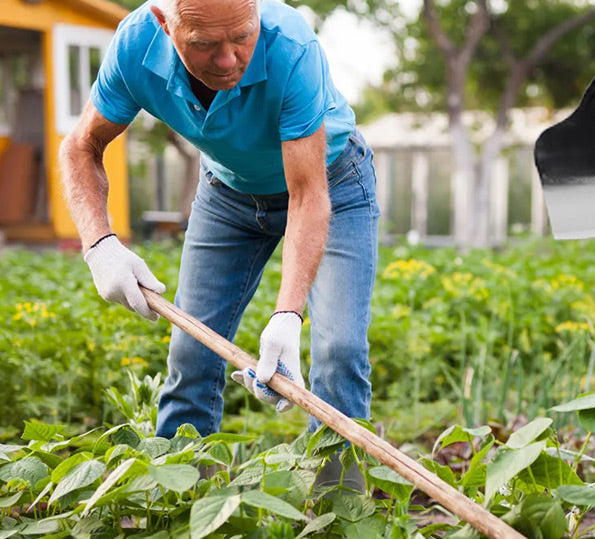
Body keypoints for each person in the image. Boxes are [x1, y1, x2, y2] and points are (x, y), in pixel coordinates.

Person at [59, 0, 379, 489]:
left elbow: (308, 195)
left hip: (332, 183)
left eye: (242, 37)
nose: (229, 59)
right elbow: (81, 145)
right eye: (204, 44)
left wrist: (287, 315)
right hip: (227, 193)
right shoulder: (135, 45)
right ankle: (179, 512)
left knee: (338, 352)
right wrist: (99, 244)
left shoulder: (292, 45)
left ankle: (342, 526)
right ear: (166, 25)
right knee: (191, 355)